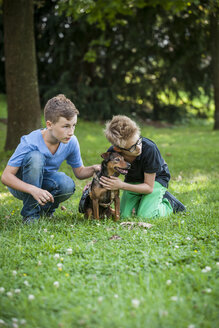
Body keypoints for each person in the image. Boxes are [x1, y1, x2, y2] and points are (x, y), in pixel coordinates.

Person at [1, 94, 100, 224]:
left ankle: (45, 211)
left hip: (45, 182)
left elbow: (79, 172)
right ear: (49, 124)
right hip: (22, 185)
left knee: (67, 184)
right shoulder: (30, 142)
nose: (71, 132)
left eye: (74, 125)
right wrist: (33, 189)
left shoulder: (71, 141)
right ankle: (30, 215)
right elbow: (6, 177)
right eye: (66, 126)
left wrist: (94, 168)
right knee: (35, 157)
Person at [100, 115, 186, 220]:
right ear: (118, 149)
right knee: (125, 216)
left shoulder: (150, 149)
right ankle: (143, 202)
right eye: (132, 147)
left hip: (155, 181)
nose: (139, 148)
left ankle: (170, 204)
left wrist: (121, 185)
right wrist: (96, 182)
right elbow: (109, 173)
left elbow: (149, 188)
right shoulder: (114, 154)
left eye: (138, 141)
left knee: (145, 216)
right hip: (133, 181)